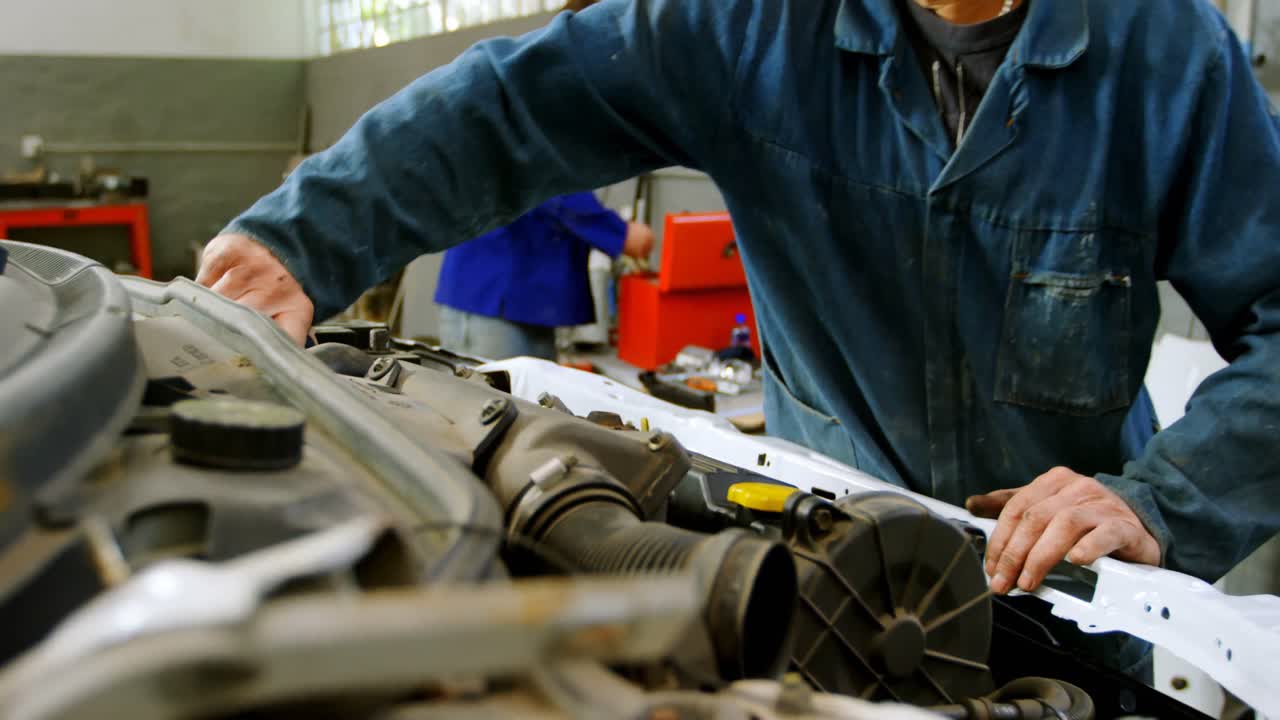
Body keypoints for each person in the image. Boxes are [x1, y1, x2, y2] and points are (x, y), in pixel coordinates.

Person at [197, 0, 1280, 672]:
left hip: (1081, 600)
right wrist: (303, 239)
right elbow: (511, 105)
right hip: (835, 570)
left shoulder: (1165, 54)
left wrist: (1157, 501)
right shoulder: (746, 27)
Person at [434, 192, 653, 360]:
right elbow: (557, 188)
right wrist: (620, 233)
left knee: (528, 409)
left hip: (521, 304)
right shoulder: (539, 140)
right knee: (493, 406)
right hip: (494, 300)